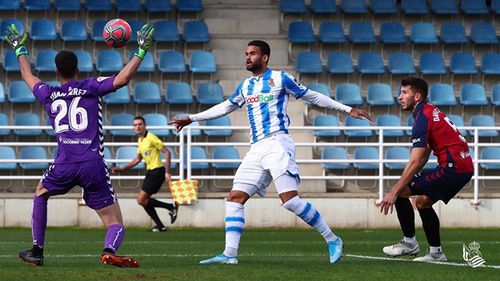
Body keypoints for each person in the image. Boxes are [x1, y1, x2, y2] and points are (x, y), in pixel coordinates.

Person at [168, 40, 371, 265]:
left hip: (278, 144)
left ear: (264, 57)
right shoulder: (245, 86)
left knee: (290, 200)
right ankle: (230, 254)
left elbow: (311, 96)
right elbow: (225, 106)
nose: (247, 57)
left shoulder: (281, 78)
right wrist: (191, 118)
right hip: (257, 149)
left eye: (252, 53)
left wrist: (348, 109)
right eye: (246, 53)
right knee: (235, 198)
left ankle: (333, 239)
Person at [5, 23, 155, 267]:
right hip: (93, 164)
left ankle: (37, 250)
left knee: (41, 191)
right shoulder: (90, 87)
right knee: (115, 222)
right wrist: (141, 50)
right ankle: (109, 250)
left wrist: (19, 48)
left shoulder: (48, 93)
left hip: (64, 164)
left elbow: (26, 76)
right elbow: (123, 79)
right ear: (77, 70)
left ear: (56, 73)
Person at [380, 77, 473, 262]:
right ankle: (436, 253)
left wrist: (394, 191)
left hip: (452, 168)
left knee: (400, 194)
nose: (400, 97)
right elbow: (424, 156)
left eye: (404, 93)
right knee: (422, 202)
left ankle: (409, 243)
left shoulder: (423, 116)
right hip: (462, 166)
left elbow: (416, 160)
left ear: (417, 96)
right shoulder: (430, 112)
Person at [111, 116, 178, 232]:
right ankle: (161, 225)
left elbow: (167, 152)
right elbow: (137, 159)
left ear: (145, 126)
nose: (137, 127)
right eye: (135, 125)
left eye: (140, 124)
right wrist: (122, 169)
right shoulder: (140, 140)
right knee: (144, 201)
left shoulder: (151, 138)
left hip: (157, 171)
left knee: (141, 200)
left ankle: (171, 207)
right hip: (151, 171)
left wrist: (167, 171)